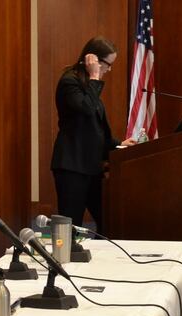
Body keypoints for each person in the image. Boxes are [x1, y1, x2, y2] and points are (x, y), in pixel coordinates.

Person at [51, 36, 136, 234]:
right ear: (93, 61)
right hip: (72, 166)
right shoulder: (69, 81)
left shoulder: (88, 86)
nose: (109, 69)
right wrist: (95, 77)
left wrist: (119, 145)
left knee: (108, 221)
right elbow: (87, 109)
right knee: (71, 227)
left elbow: (95, 131)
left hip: (91, 167)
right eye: (108, 64)